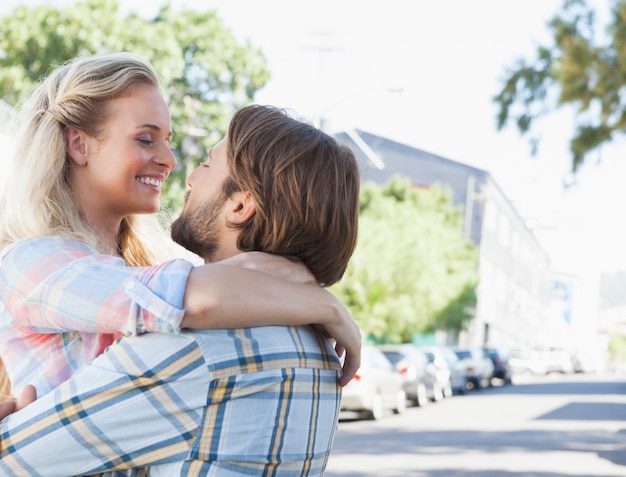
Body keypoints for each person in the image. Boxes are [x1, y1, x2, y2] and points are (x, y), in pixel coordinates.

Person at [0, 103, 360, 476]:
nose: (187, 177)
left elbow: (13, 461)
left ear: (240, 205)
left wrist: (23, 423)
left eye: (206, 165)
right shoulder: (320, 348)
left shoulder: (193, 346)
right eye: (145, 138)